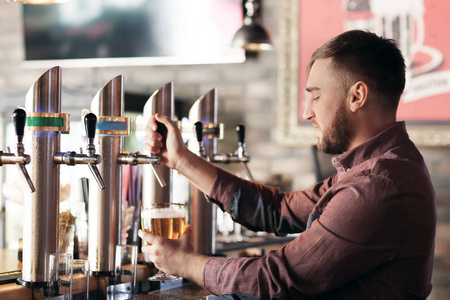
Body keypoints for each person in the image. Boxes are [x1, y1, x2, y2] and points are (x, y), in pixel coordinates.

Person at [138, 30, 436, 299]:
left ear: (357, 96)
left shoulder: (377, 185)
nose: (307, 113)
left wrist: (182, 262)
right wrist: (180, 160)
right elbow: (277, 210)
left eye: (315, 96)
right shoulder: (373, 168)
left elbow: (274, 279)